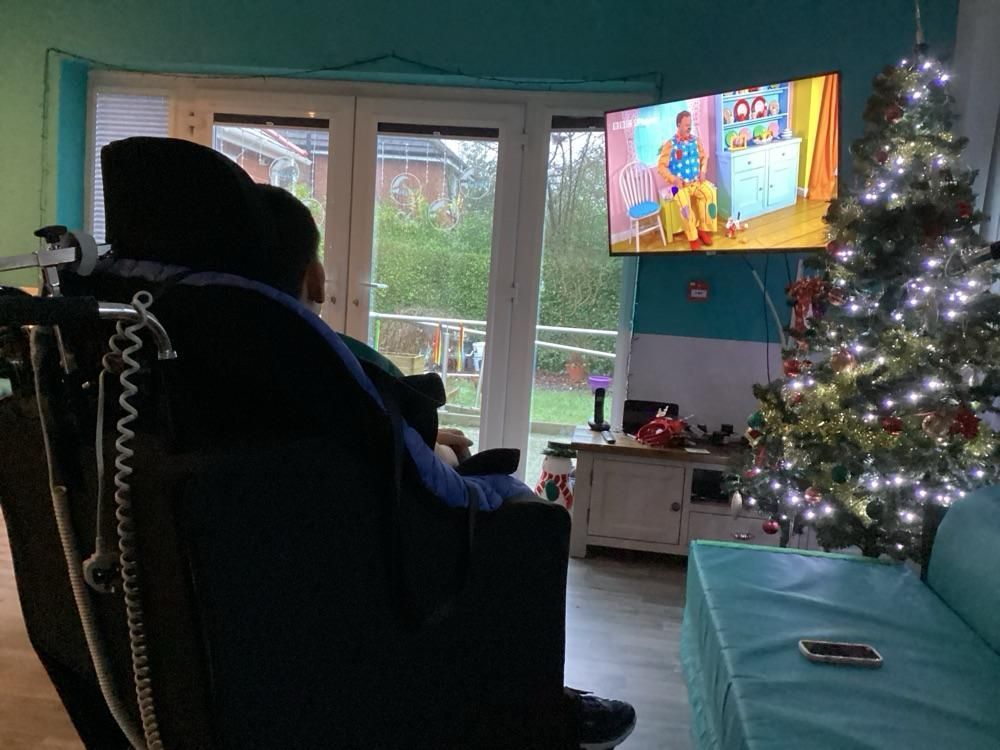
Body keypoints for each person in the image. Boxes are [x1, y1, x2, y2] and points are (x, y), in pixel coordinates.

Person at [256, 183, 637, 750]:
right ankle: (537, 708)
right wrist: (459, 464)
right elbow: (412, 470)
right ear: (313, 275)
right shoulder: (325, 356)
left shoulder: (220, 342)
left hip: (293, 563)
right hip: (392, 542)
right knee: (528, 516)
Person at [657, 110, 719, 250]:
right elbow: (661, 167)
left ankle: (703, 229)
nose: (689, 128)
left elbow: (704, 157)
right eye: (686, 125)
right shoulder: (670, 144)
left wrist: (703, 171)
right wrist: (673, 179)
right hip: (677, 186)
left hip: (696, 181)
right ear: (678, 125)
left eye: (690, 125)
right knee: (684, 206)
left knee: (709, 193)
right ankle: (693, 237)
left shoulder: (695, 141)